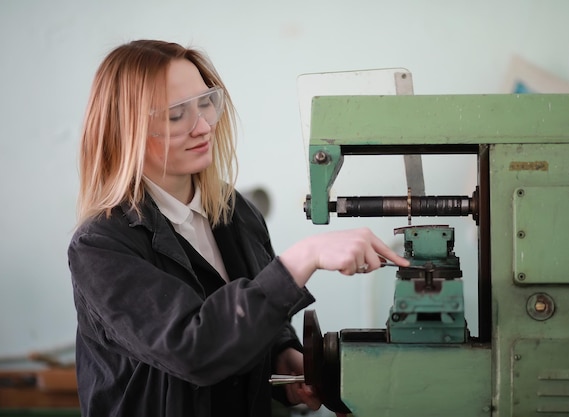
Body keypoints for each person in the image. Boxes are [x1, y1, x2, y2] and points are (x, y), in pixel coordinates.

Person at [67, 39, 408, 417]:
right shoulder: (101, 246)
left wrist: (283, 357)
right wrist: (302, 258)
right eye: (177, 114)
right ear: (126, 128)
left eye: (205, 103)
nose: (202, 127)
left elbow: (251, 319)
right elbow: (194, 349)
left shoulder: (234, 212)